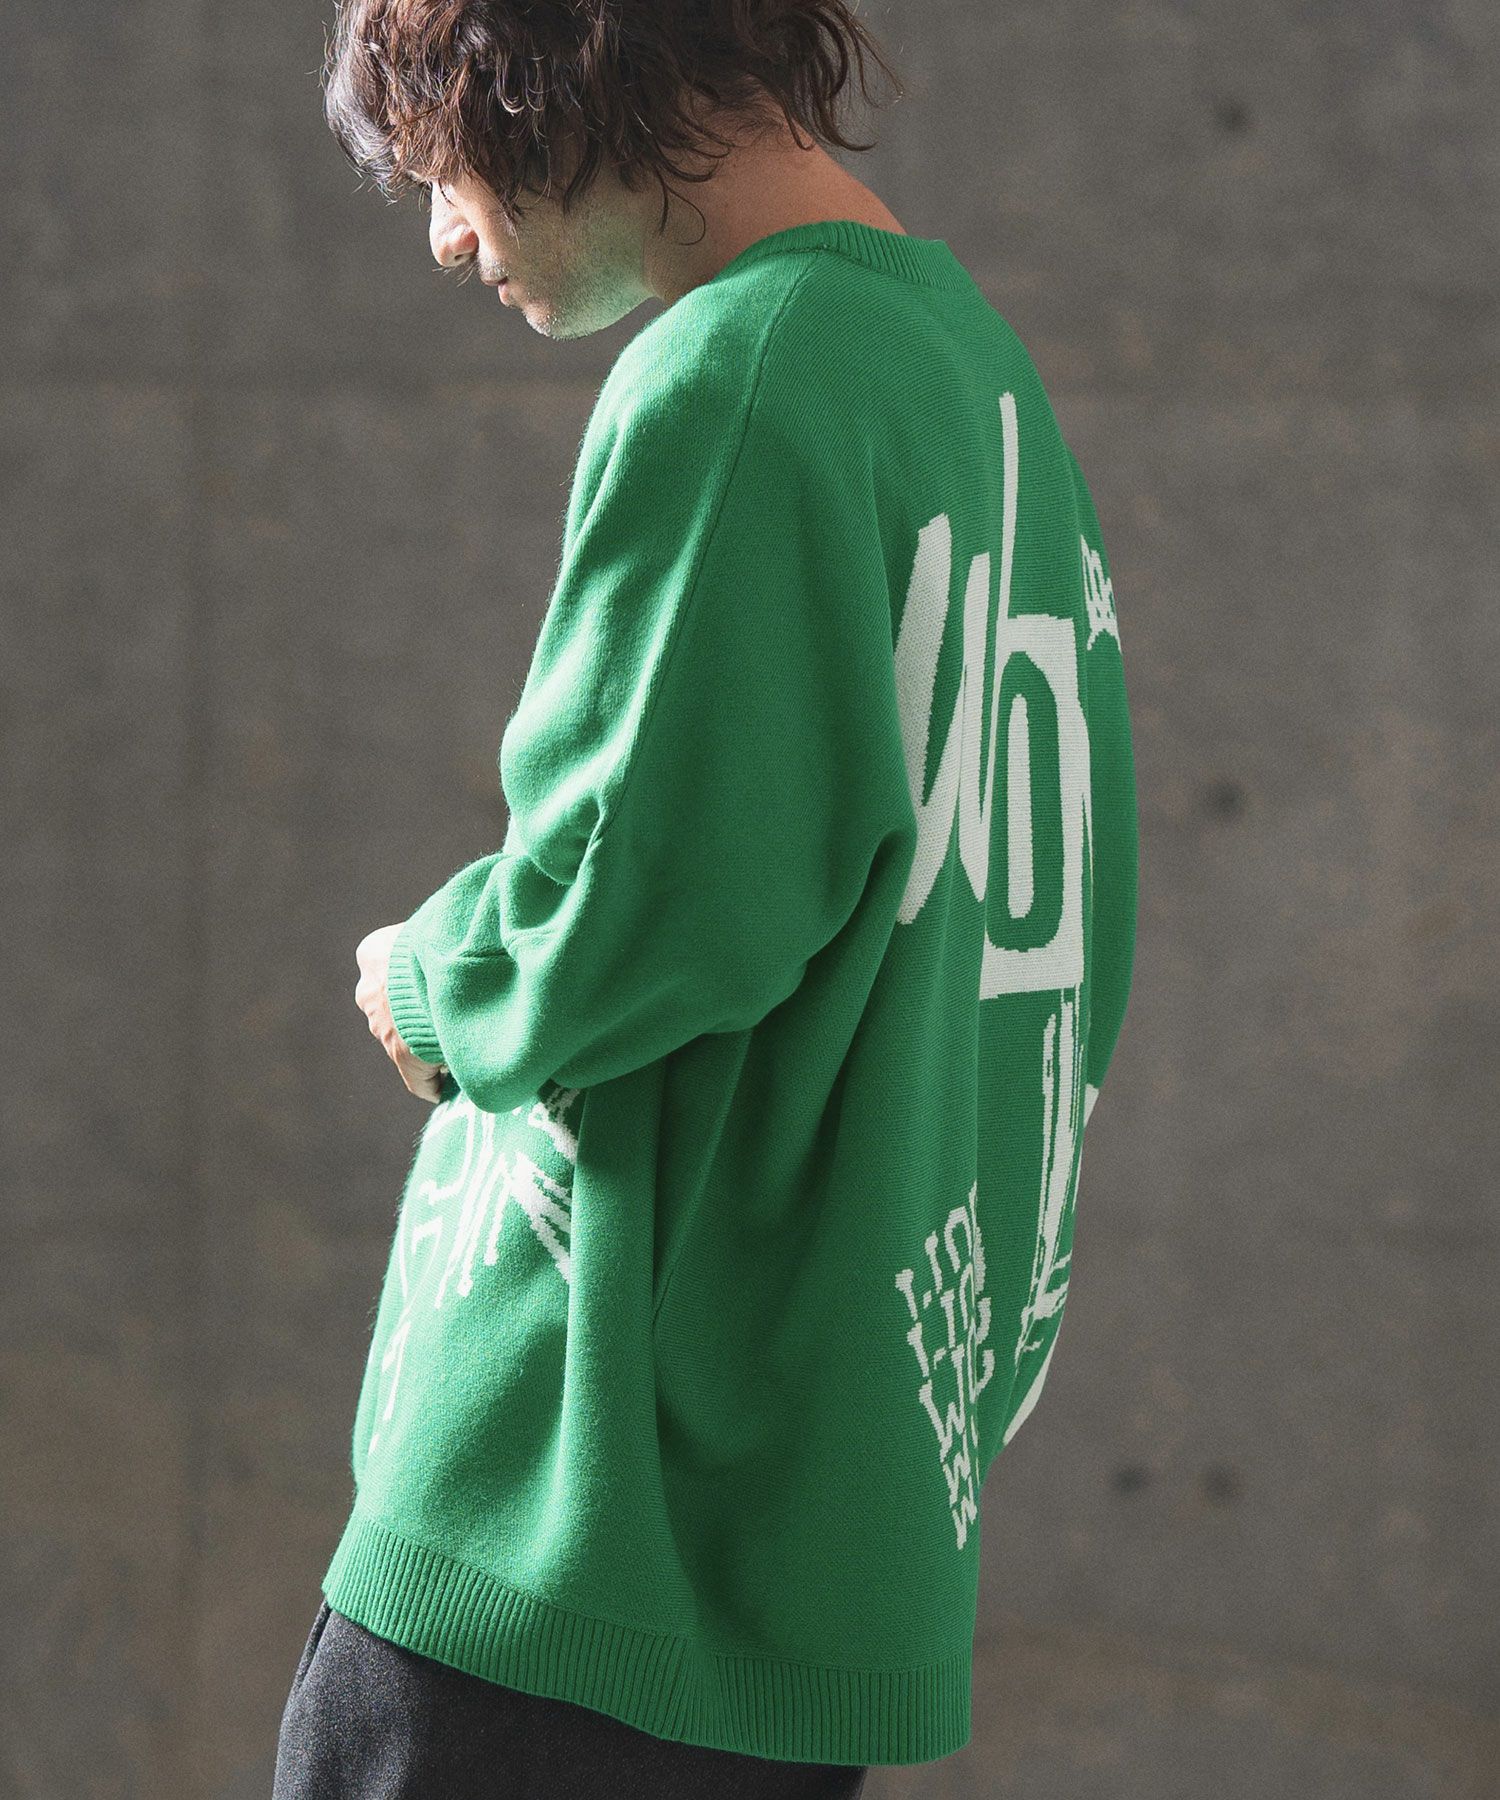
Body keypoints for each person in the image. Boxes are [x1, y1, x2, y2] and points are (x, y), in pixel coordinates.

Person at [273, 2, 1138, 1795]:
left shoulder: (744, 372)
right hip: (808, 1537)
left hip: (581, 1522)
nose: (443, 235)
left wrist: (432, 979)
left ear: (547, 74)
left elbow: (617, 913)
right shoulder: (971, 377)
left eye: (440, 159)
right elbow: (1067, 954)